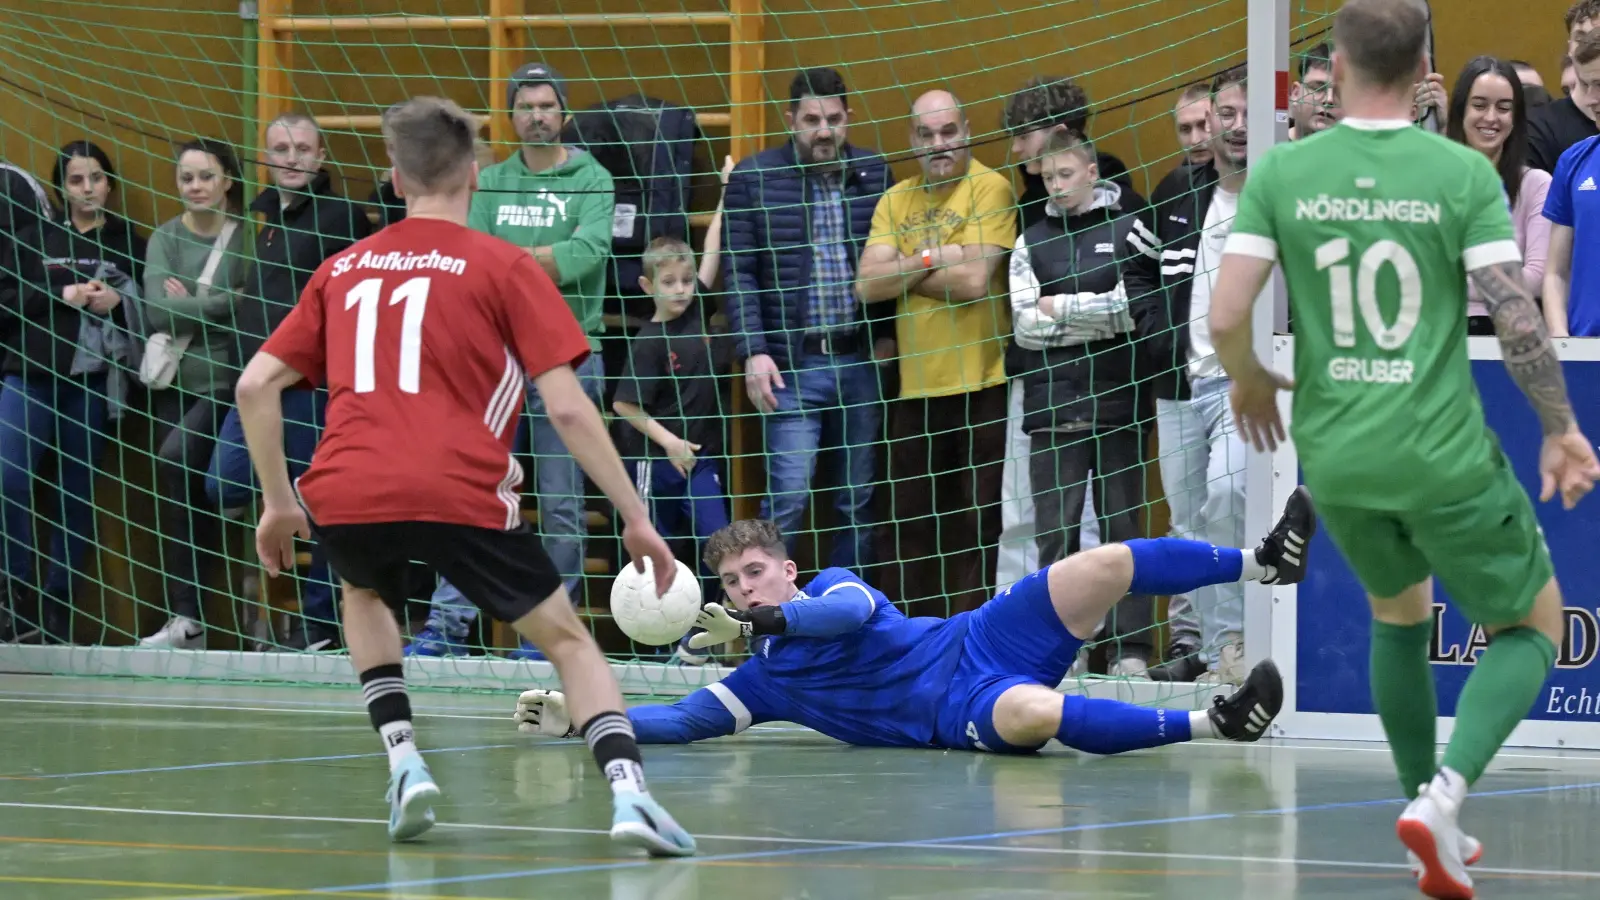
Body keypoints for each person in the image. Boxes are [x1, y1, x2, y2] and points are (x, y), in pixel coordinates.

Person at [1206, 2, 1600, 897]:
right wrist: (1560, 428)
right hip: (1440, 452)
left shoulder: (1286, 172)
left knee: (1399, 612)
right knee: (1534, 625)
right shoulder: (1458, 174)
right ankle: (1447, 794)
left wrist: (1251, 379)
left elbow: (1228, 316)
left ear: (1335, 70)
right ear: (1425, 66)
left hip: (1335, 456)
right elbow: (1511, 308)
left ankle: (1427, 809)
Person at [233, 96, 695, 856]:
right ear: (474, 174)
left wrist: (280, 504)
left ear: (393, 176)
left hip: (347, 484)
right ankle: (630, 795)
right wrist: (634, 516)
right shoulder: (504, 264)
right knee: (571, 643)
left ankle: (405, 760)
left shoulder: (342, 268)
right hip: (455, 482)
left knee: (362, 590)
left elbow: (256, 387)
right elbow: (572, 411)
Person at [513, 489, 1310, 756]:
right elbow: (682, 723)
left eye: (755, 573)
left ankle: (1264, 561)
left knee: (1096, 565)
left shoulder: (827, 590)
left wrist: (770, 622)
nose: (744, 587)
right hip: (957, 709)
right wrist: (582, 715)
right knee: (1031, 715)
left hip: (979, 637)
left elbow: (846, 615)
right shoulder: (762, 683)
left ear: (786, 572)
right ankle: (1218, 722)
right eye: (730, 583)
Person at [414, 62, 617, 662]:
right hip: (493, 359)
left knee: (561, 504)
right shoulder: (491, 180)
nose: (537, 115)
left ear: (564, 113)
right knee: (472, 492)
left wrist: (510, 263)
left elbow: (586, 254)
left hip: (569, 355)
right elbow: (468, 254)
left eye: (547, 105)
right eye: (525, 106)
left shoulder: (593, 177)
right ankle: (449, 625)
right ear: (511, 116)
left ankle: (546, 637)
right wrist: (536, 262)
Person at [205, 112, 372, 652]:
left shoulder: (342, 217)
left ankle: (320, 624)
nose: (292, 156)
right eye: (281, 147)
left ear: (320, 157)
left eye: (303, 147)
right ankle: (268, 602)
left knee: (320, 504)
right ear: (266, 155)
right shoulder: (259, 219)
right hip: (253, 384)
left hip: (308, 388)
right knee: (222, 483)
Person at [724, 67, 892, 576]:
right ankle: (768, 620)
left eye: (834, 119)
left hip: (860, 361)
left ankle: (851, 617)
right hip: (790, 368)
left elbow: (890, 259)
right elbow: (738, 273)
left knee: (858, 504)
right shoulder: (754, 178)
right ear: (790, 119)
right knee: (788, 500)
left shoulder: (876, 173)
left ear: (849, 119)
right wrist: (754, 350)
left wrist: (884, 337)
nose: (824, 130)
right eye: (812, 119)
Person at [856, 89, 1015, 619]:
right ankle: (908, 637)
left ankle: (974, 635)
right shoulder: (894, 199)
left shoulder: (991, 187)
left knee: (980, 524)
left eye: (949, 132)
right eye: (927, 135)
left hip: (984, 385)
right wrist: (931, 255)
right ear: (912, 140)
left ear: (966, 130)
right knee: (907, 526)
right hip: (914, 390)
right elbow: (866, 285)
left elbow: (974, 280)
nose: (939, 144)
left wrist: (902, 270)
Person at [1006, 129, 1155, 675]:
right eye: (1047, 178)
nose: (1056, 186)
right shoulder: (1030, 240)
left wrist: (1060, 308)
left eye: (1065, 175)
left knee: (1125, 532)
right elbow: (1024, 327)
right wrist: (1095, 313)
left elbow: (1132, 309)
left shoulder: (1130, 229)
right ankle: (1058, 649)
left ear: (1092, 173)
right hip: (1052, 411)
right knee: (1056, 538)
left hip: (1121, 404)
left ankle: (1133, 647)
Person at [0, 140, 144, 643]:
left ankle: (57, 608)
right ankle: (16, 598)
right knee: (8, 478)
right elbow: (6, 300)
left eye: (97, 178)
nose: (88, 188)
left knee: (75, 496)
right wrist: (62, 294)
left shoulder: (129, 241)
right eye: (77, 180)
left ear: (110, 184)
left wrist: (118, 302)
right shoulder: (32, 236)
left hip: (92, 385)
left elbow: (148, 320)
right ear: (61, 187)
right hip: (29, 375)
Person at [138, 139, 251, 649]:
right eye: (187, 178)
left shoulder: (247, 239)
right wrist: (217, 304)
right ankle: (189, 621)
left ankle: (214, 619)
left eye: (206, 176)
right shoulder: (163, 238)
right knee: (183, 499)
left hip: (227, 386)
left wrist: (193, 299)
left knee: (176, 462)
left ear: (228, 180)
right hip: (171, 385)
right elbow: (157, 312)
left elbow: (248, 307)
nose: (196, 187)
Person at [611, 236, 733, 655]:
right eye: (669, 282)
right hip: (655, 461)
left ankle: (695, 637)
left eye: (686, 280)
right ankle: (654, 645)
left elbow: (711, 258)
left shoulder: (698, 312)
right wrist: (669, 442)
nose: (681, 288)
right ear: (649, 286)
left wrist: (724, 195)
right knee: (659, 549)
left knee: (717, 541)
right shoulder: (648, 341)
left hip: (700, 460)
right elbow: (623, 403)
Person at [1444, 57, 1552, 336]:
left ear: (1515, 119)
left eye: (1504, 108)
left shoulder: (1536, 185)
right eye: (1479, 105)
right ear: (1460, 111)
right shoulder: (1431, 184)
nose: (1491, 118)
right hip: (1439, 334)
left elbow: (1537, 279)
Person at [1542, 29, 1600, 336]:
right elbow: (1555, 273)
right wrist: (1562, 343)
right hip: (1586, 357)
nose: (1591, 99)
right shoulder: (1573, 161)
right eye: (1585, 84)